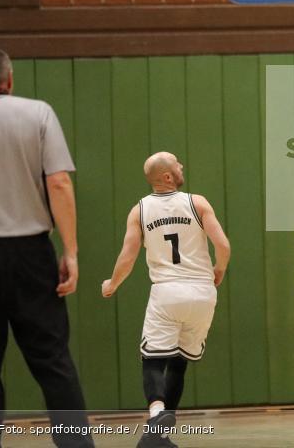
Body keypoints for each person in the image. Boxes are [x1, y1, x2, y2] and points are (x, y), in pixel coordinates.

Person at [0, 46, 95, 448]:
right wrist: (71, 252)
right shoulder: (38, 113)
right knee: (52, 361)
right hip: (30, 254)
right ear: (9, 80)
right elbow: (59, 183)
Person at [101, 152, 230, 448]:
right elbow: (222, 245)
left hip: (167, 292)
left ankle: (157, 413)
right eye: (177, 163)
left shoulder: (140, 211)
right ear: (168, 177)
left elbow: (128, 257)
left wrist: (112, 284)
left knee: (153, 359)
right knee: (180, 361)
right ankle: (156, 437)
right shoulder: (198, 203)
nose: (182, 165)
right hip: (202, 292)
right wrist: (218, 270)